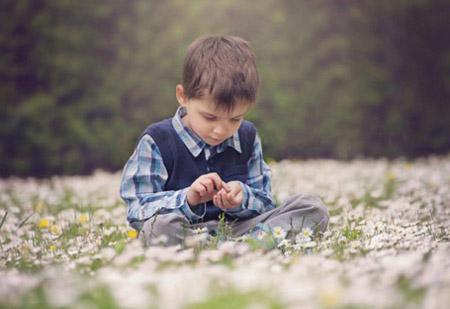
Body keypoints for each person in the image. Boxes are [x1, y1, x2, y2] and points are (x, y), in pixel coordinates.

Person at [120, 35, 329, 246]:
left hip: (241, 229)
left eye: (235, 119)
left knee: (311, 208)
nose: (221, 130)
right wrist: (189, 198)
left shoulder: (247, 136)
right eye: (209, 117)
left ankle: (246, 247)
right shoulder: (158, 141)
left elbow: (266, 203)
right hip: (186, 232)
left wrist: (242, 197)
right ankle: (241, 249)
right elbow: (138, 210)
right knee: (158, 228)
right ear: (183, 96)